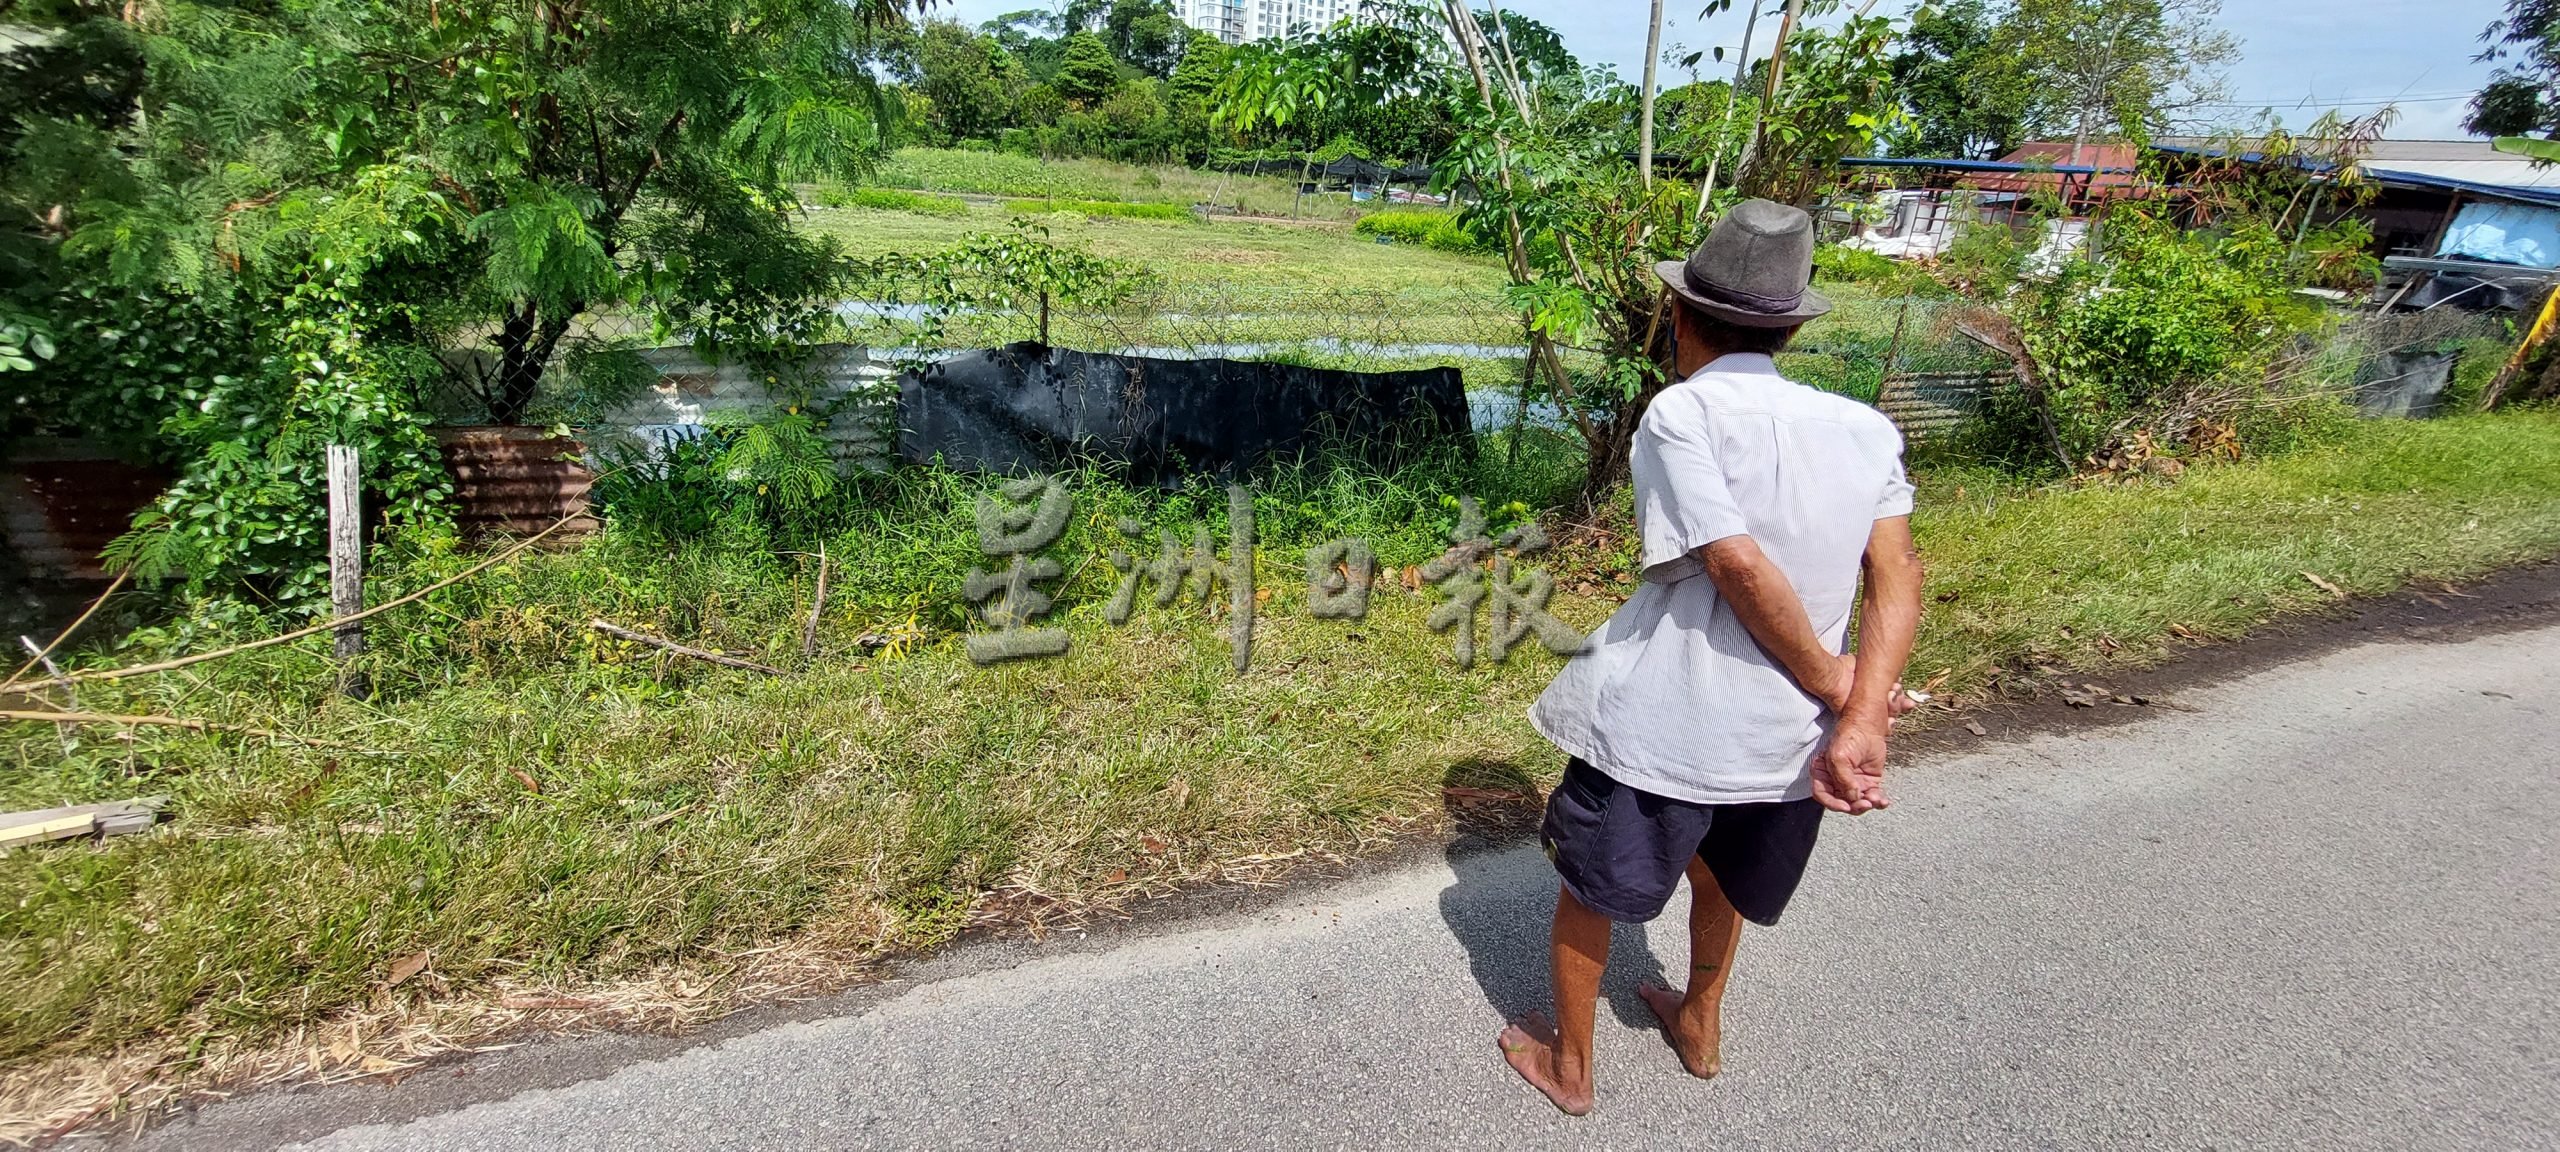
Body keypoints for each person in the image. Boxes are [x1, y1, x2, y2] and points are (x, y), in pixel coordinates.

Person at [1497, 198, 1926, 1115]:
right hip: (1789, 741)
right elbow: (1897, 571)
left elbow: (1729, 559)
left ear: (1682, 317)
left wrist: (1836, 683)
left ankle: (1571, 1070)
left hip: (1671, 725)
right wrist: (1857, 709)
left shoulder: (1682, 414)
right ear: (1788, 330)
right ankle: (1699, 1025)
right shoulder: (1863, 429)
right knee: (1724, 875)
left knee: (1590, 889)